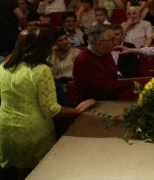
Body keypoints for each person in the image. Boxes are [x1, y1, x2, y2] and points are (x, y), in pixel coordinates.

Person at [0, 28, 94, 179]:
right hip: (32, 132)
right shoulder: (41, 70)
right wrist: (76, 110)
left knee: (15, 173)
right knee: (36, 174)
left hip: (6, 129)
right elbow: (51, 109)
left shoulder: (4, 66)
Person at [72, 24, 137, 101]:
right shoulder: (84, 60)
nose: (115, 43)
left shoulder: (104, 52)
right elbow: (104, 88)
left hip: (110, 101)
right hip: (93, 104)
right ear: (99, 44)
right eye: (111, 40)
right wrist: (130, 84)